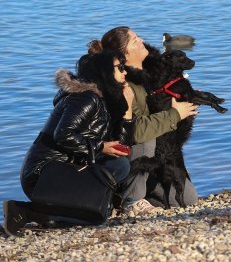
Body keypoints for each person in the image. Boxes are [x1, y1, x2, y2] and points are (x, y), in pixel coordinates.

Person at [3, 50, 134, 236]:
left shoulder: (106, 100)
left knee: (118, 166)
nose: (125, 72)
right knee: (97, 211)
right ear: (105, 71)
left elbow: (122, 147)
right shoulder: (86, 98)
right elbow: (63, 134)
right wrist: (100, 147)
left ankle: (68, 212)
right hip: (43, 174)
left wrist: (127, 112)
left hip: (65, 170)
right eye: (120, 67)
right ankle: (23, 211)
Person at [93, 27, 199, 212]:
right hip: (123, 153)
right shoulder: (123, 84)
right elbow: (136, 130)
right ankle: (130, 200)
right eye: (135, 40)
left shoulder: (157, 71)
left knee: (187, 199)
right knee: (145, 137)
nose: (141, 40)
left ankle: (141, 193)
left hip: (158, 153)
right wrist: (175, 114)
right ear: (125, 53)